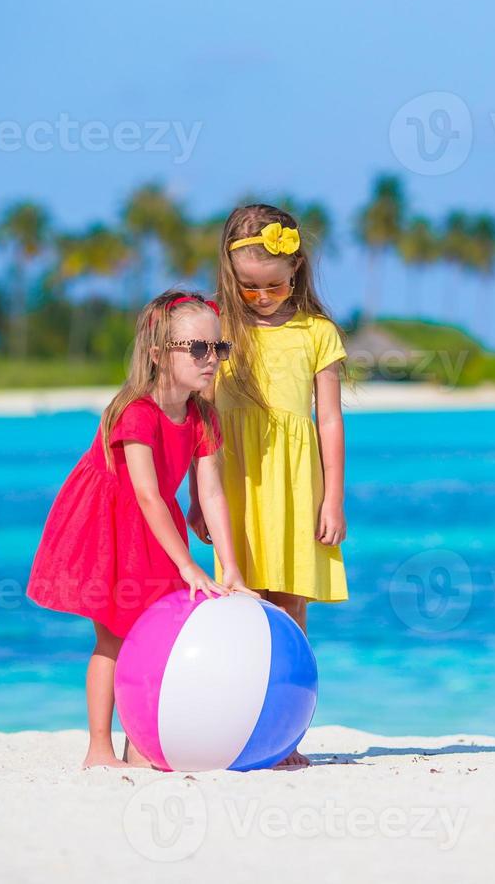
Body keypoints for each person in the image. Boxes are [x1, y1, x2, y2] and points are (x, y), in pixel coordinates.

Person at [27, 290, 255, 768]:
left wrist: (228, 567)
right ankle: (99, 749)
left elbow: (210, 494)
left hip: (156, 525)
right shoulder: (137, 412)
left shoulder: (202, 415)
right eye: (197, 349)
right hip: (109, 524)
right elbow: (147, 493)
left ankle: (142, 746)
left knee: (158, 637)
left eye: (219, 349)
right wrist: (188, 564)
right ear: (158, 354)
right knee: (113, 636)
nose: (211, 360)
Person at [191, 204, 349, 768]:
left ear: (297, 271)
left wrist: (332, 498)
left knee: (290, 608)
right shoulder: (215, 331)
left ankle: (285, 735)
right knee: (239, 603)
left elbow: (329, 419)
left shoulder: (318, 333)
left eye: (274, 285)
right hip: (235, 482)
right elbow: (200, 419)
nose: (262, 297)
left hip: (296, 488)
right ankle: (236, 727)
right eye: (250, 286)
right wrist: (195, 494)